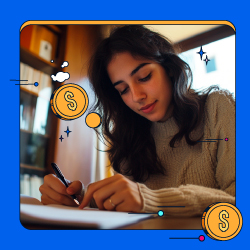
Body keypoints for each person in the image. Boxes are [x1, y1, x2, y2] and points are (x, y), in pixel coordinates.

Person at [39, 25, 235, 216]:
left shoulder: (217, 108)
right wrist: (78, 199)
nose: (136, 96)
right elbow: (126, 204)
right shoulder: (130, 136)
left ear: (169, 69)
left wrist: (153, 201)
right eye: (123, 90)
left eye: (144, 77)